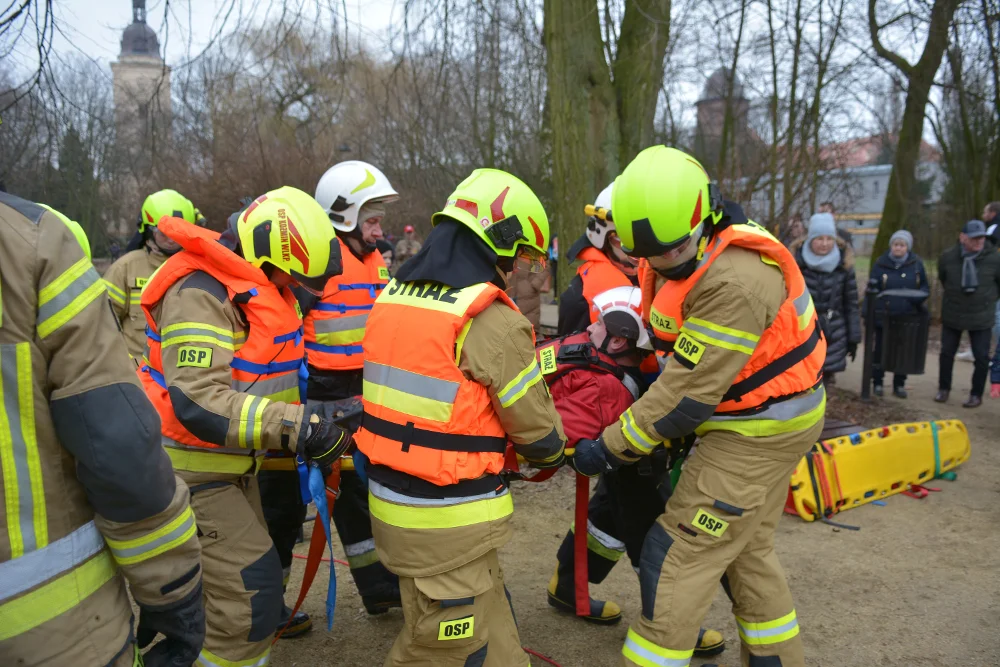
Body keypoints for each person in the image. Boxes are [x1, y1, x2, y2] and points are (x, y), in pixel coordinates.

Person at [571, 146, 826, 667]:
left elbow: (685, 396)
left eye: (671, 251)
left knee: (676, 553)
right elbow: (678, 339)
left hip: (754, 431)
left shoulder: (737, 278)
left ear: (704, 214)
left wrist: (609, 448)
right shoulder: (676, 241)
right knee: (746, 553)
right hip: (760, 416)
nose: (664, 263)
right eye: (651, 255)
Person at [354, 168, 567, 666]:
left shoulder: (390, 296)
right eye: (518, 258)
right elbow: (536, 431)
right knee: (443, 648)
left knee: (493, 635)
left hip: (393, 501)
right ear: (501, 243)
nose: (516, 270)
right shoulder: (490, 318)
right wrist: (556, 451)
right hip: (448, 518)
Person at [137, 186, 353, 667]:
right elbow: (199, 401)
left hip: (231, 468)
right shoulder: (199, 295)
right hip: (188, 472)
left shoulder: (255, 289)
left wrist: (323, 421)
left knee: (240, 597)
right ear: (265, 256)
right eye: (295, 277)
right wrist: (299, 426)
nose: (300, 290)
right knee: (250, 602)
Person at [0, 193, 205, 666]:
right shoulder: (40, 244)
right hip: (54, 631)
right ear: (149, 227)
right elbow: (117, 451)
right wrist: (172, 590)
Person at [542, 286, 727, 657]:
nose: (590, 332)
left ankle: (567, 586)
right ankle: (669, 626)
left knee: (608, 518)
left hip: (630, 454)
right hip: (637, 454)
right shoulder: (618, 369)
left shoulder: (628, 335)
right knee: (655, 538)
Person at [282, 160, 402, 620]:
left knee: (358, 493)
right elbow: (282, 326)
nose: (378, 232)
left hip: (364, 391)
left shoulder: (373, 260)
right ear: (343, 216)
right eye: (372, 221)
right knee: (308, 502)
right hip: (322, 396)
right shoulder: (317, 261)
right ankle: (273, 603)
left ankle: (378, 588)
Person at [103, 189, 201, 359]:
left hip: (182, 380)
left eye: (178, 233)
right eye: (164, 233)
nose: (172, 240)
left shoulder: (199, 270)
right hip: (137, 380)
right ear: (148, 230)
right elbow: (103, 327)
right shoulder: (124, 269)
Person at [935, 220, 1000, 408]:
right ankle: (944, 389)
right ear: (962, 237)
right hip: (953, 312)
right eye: (974, 238)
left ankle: (975, 394)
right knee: (947, 353)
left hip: (982, 315)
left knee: (981, 357)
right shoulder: (948, 257)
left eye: (981, 238)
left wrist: (987, 299)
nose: (979, 241)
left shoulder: (994, 259)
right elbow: (943, 278)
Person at [558, 183, 638, 335]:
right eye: (626, 241)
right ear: (604, 238)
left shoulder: (663, 275)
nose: (639, 251)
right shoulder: (577, 299)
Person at [791, 213, 861, 385]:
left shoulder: (844, 265)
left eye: (829, 238)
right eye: (819, 238)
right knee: (802, 380)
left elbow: (851, 304)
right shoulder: (796, 263)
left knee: (826, 381)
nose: (824, 243)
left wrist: (854, 337)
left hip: (834, 331)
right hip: (803, 329)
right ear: (810, 239)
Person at [864, 230, 929, 398]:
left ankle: (899, 384)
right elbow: (872, 289)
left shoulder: (916, 264)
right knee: (880, 350)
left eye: (902, 245)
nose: (898, 248)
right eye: (896, 244)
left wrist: (915, 301)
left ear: (907, 247)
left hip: (907, 316)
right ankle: (877, 382)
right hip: (884, 316)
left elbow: (924, 287)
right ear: (891, 245)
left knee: (902, 352)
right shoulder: (881, 264)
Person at [507, 253, 550, 330]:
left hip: (529, 294)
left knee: (529, 328)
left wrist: (535, 284)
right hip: (509, 290)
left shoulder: (532, 248)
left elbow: (545, 265)